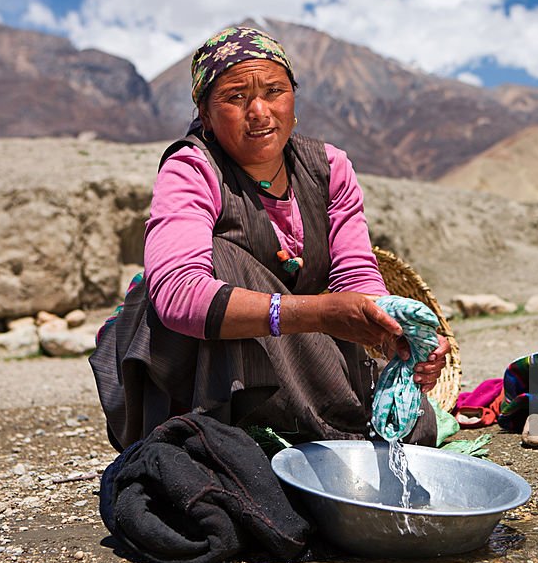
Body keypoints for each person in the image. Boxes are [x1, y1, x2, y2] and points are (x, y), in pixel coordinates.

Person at [91, 26, 448, 452]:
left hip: (302, 354)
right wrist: (316, 313)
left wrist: (392, 332)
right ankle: (233, 438)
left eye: (274, 91)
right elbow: (177, 294)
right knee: (222, 257)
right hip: (208, 372)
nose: (259, 111)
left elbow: (356, 272)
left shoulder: (330, 167)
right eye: (236, 97)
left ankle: (308, 430)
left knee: (414, 428)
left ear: (294, 100)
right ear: (205, 114)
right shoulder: (191, 168)